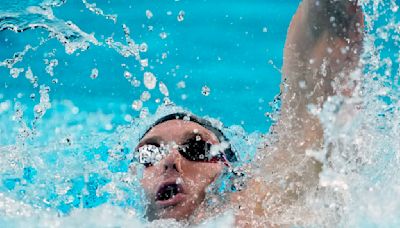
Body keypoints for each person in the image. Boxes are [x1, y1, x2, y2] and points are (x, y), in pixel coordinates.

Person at [134, 0, 364, 226]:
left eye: (197, 148)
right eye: (150, 154)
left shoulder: (259, 212)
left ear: (229, 171)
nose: (170, 161)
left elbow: (314, 70)